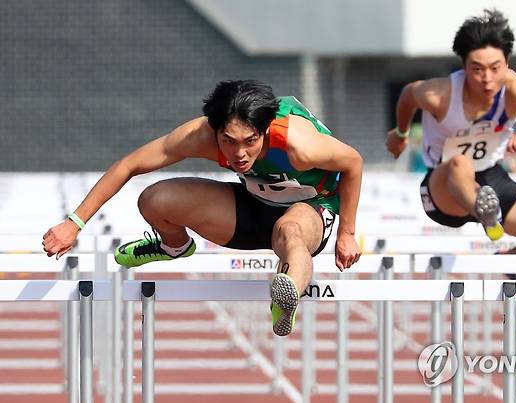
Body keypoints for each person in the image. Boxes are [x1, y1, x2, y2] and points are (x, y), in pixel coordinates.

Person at [42, 80, 363, 336]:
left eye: (250, 141)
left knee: (289, 231)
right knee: (154, 199)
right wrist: (75, 222)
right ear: (215, 130)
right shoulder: (200, 136)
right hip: (251, 206)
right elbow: (129, 165)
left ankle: (286, 295)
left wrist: (346, 233)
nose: (239, 153)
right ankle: (174, 245)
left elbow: (353, 163)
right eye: (229, 141)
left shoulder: (299, 145)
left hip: (310, 207)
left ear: (265, 130)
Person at [386, 10, 516, 266]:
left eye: (495, 68)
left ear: (507, 63)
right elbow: (408, 96)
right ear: (464, 67)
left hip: (491, 177)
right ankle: (485, 211)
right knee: (459, 163)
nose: (487, 79)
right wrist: (401, 133)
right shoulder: (441, 94)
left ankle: (509, 261)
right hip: (443, 187)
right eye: (477, 69)